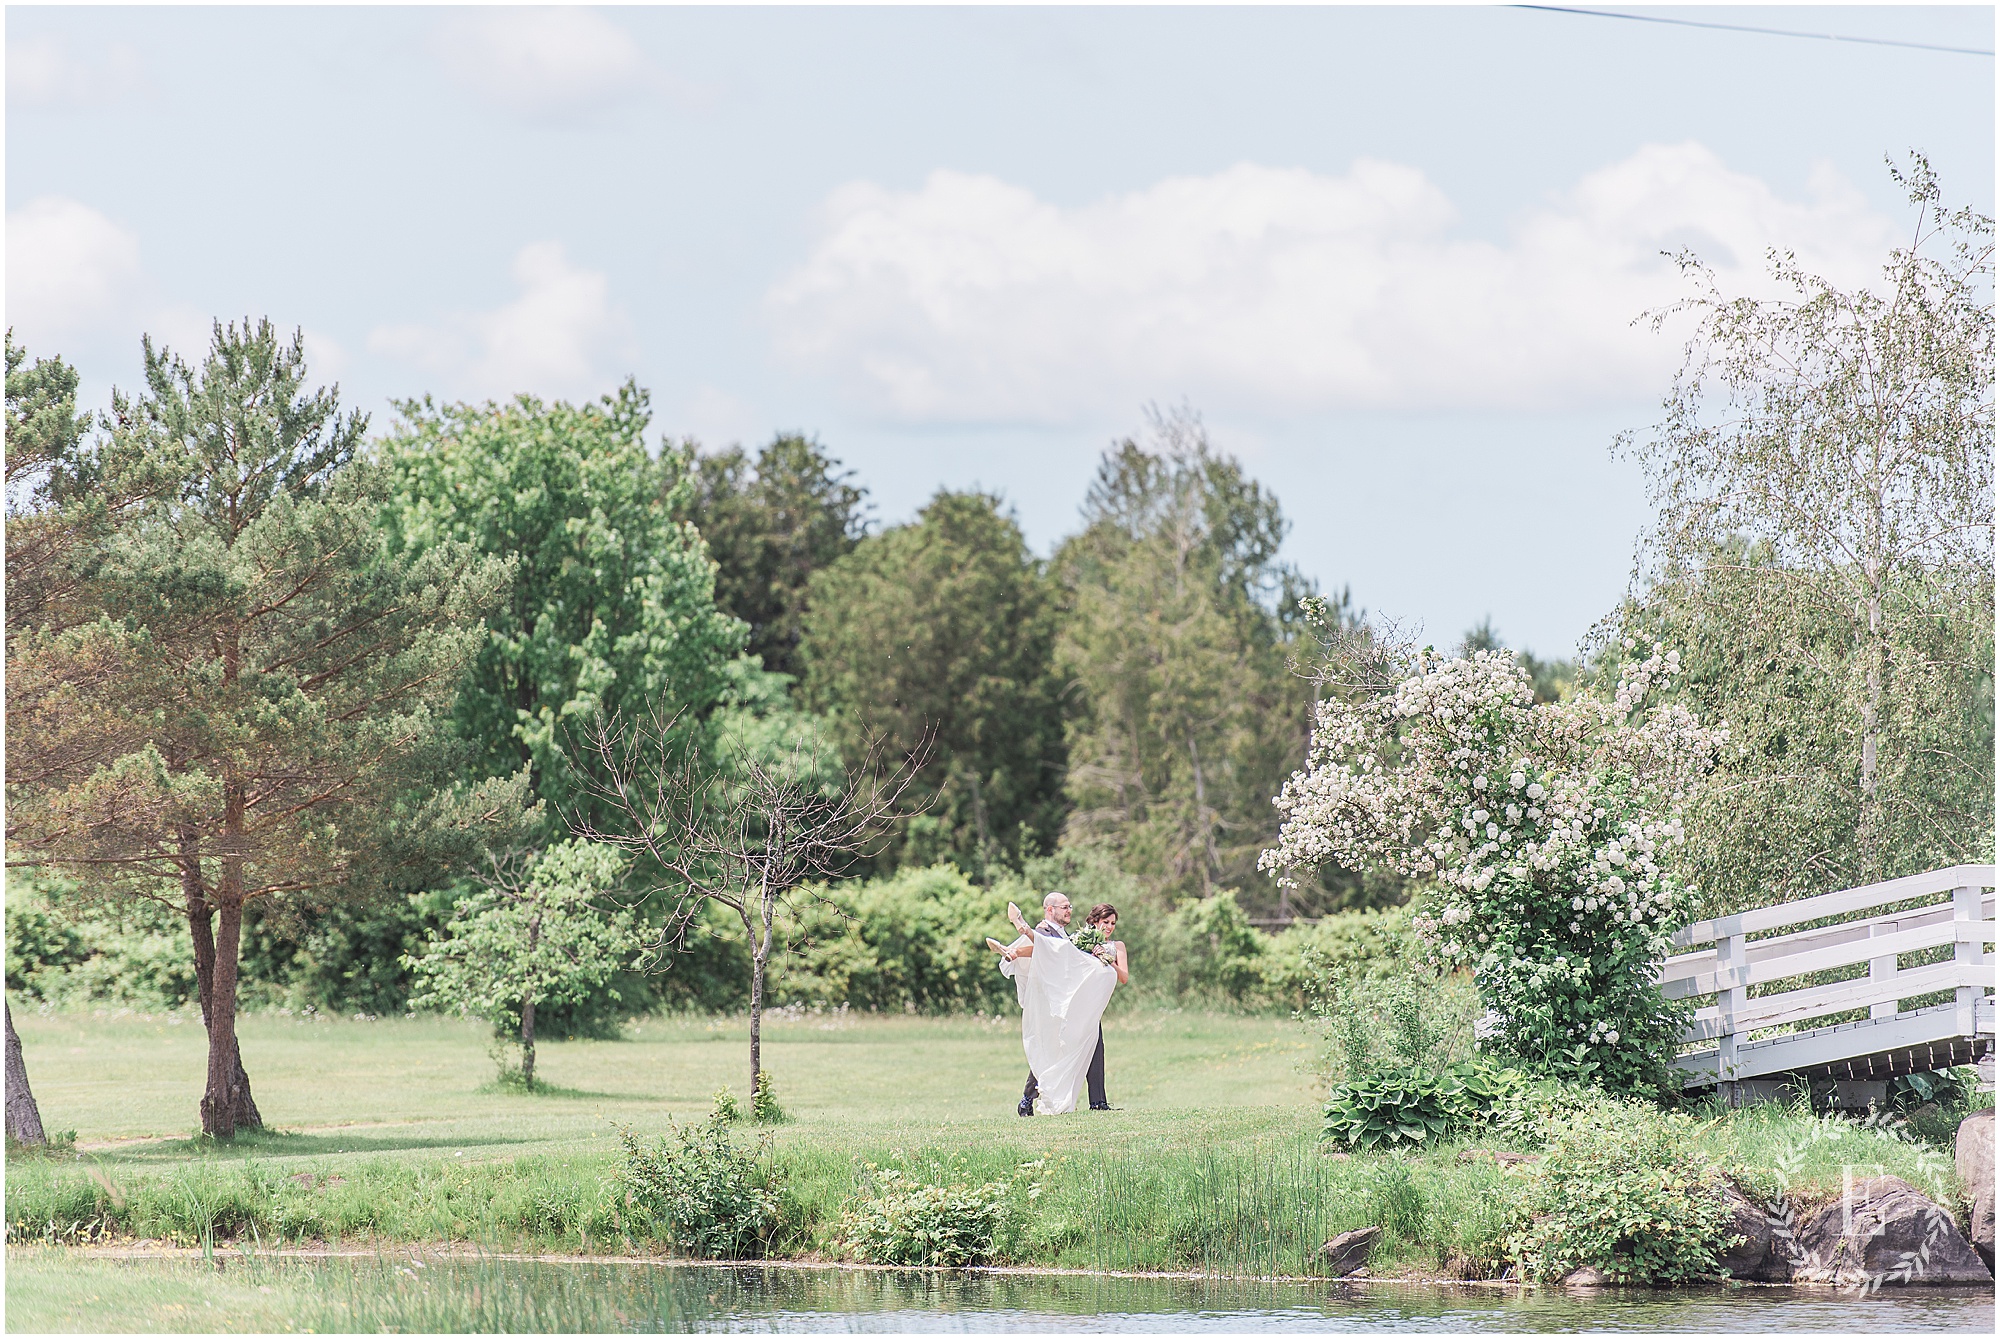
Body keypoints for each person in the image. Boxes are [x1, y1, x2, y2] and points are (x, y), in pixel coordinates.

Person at [986, 891, 1121, 1115]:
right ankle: (1027, 1099)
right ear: (1050, 909)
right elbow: (1044, 951)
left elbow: (1064, 957)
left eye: (1070, 906)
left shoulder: (1063, 933)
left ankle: (1098, 1102)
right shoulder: (1043, 930)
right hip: (1057, 1002)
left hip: (1072, 999)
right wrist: (1019, 950)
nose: (1069, 910)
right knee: (1053, 1051)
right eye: (1065, 907)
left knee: (1092, 1042)